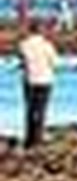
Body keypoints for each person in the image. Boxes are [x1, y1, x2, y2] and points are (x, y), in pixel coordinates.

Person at [16, 21, 59, 149]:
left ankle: (29, 139)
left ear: (30, 30)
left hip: (29, 80)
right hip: (45, 80)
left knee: (29, 109)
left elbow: (22, 59)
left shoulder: (23, 45)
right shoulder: (47, 46)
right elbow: (55, 63)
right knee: (41, 110)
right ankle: (38, 139)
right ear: (41, 31)